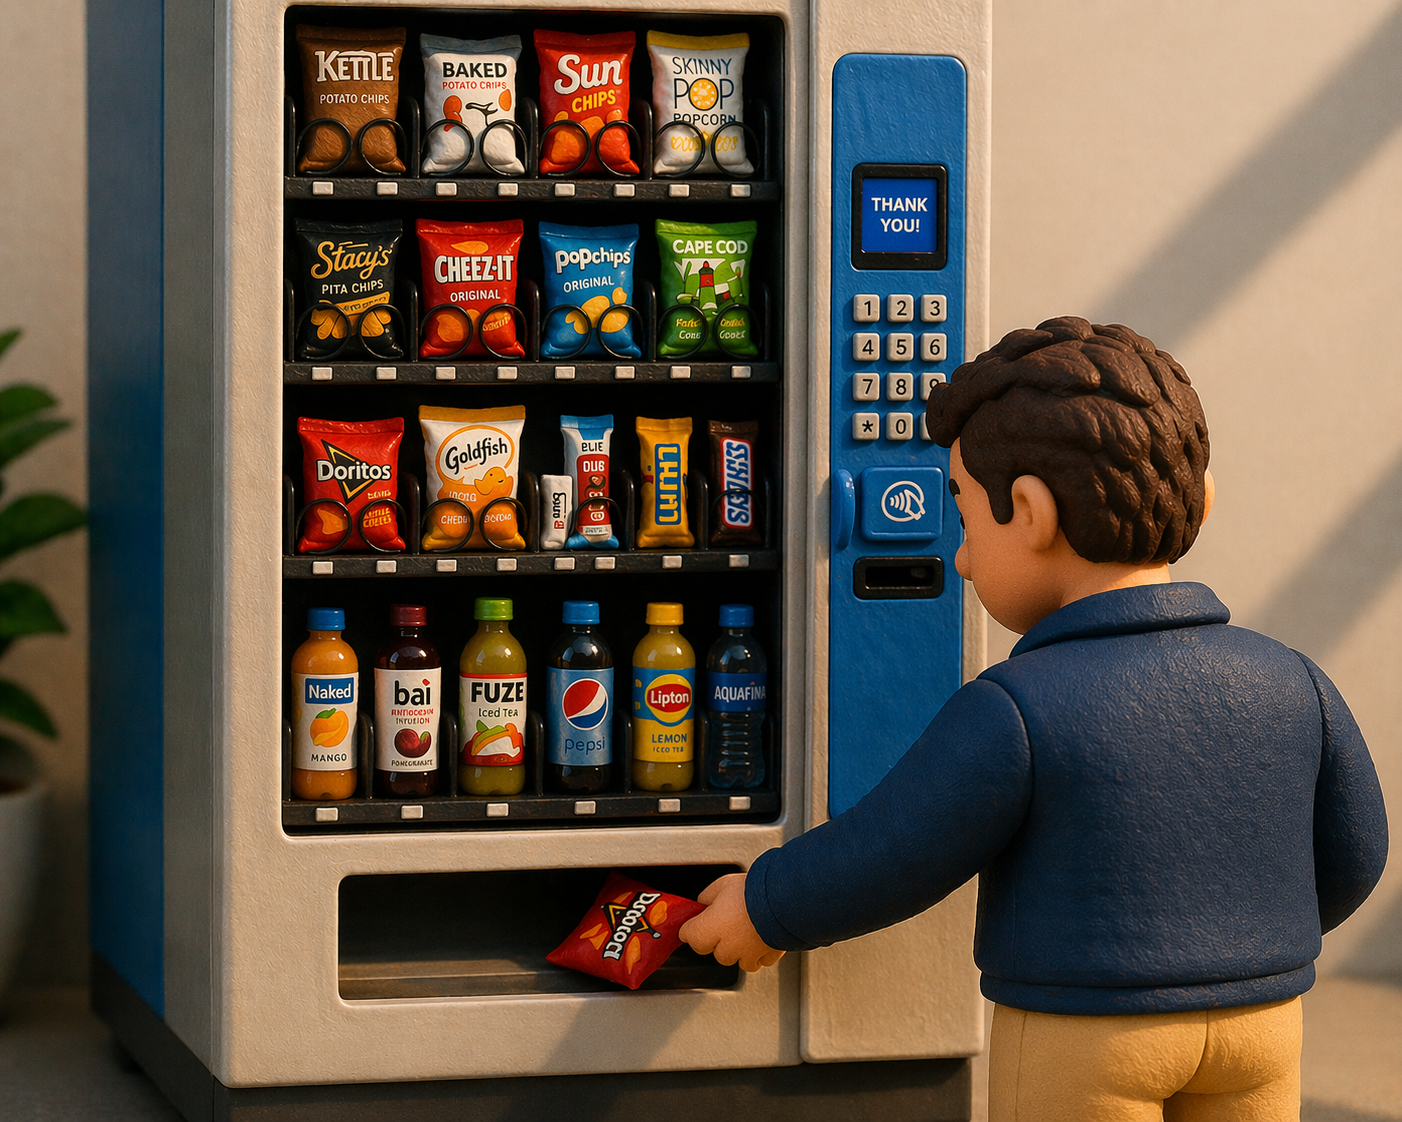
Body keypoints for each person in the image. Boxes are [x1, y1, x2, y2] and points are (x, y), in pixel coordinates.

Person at [678, 316, 1389, 1121]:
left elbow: (893, 851)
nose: (961, 558)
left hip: (1085, 1032)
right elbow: (1358, 853)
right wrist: (1246, 937)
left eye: (969, 522)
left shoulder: (1015, 709)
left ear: (1030, 510)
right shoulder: (1294, 678)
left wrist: (765, 907)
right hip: (1262, 1028)